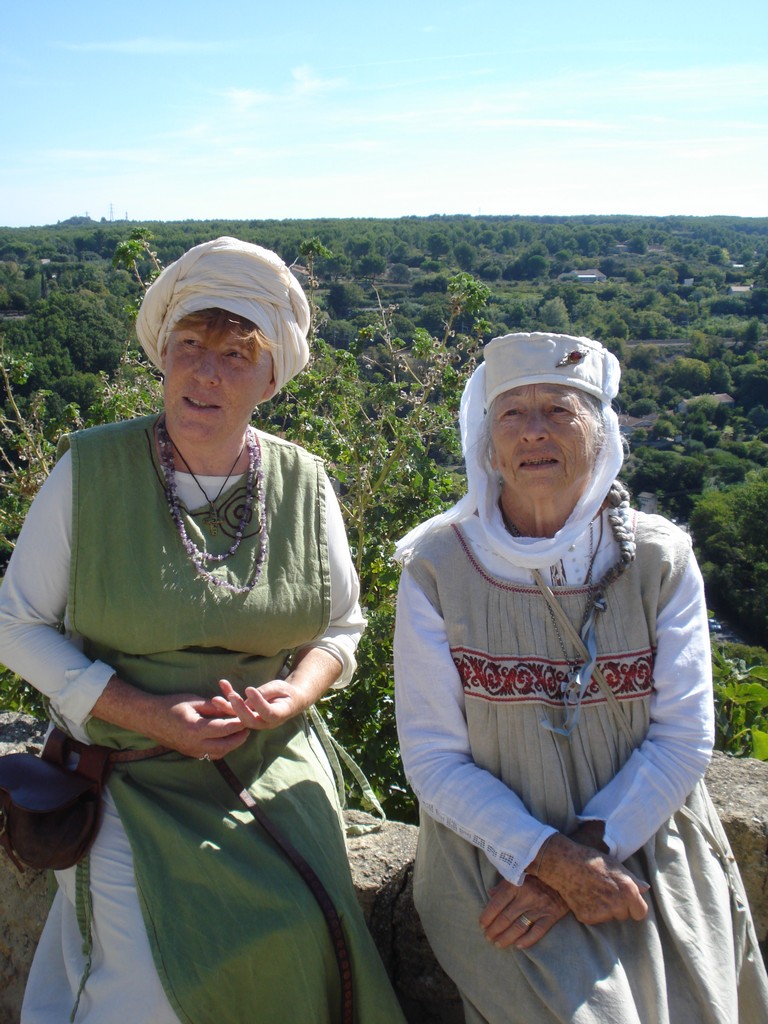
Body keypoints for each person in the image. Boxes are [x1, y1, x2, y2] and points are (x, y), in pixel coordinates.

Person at [0, 236, 406, 1024]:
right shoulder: (91, 471)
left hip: (269, 762)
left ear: (271, 379)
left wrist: (294, 695)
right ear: (164, 356)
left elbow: (341, 627)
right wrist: (148, 714)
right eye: (189, 345)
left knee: (303, 929)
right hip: (124, 768)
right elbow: (16, 624)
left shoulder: (304, 483)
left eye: (235, 354)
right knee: (152, 969)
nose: (205, 372)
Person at [393, 332, 768, 1024]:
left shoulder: (659, 558)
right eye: (513, 413)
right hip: (493, 855)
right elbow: (433, 757)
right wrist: (545, 859)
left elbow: (683, 737)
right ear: (488, 440)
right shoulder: (436, 568)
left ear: (601, 431)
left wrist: (585, 857)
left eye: (560, 411)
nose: (534, 432)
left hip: (645, 836)